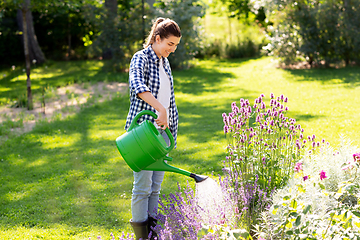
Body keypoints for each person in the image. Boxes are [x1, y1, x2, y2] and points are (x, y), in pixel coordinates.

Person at [124, 17, 181, 240]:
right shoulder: (141, 58)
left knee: (155, 187)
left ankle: (153, 234)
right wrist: (160, 109)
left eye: (175, 45)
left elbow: (169, 98)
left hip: (162, 135)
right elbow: (138, 86)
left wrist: (171, 131)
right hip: (143, 133)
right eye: (170, 44)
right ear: (157, 38)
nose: (173, 49)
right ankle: (141, 237)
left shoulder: (164, 61)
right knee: (142, 187)